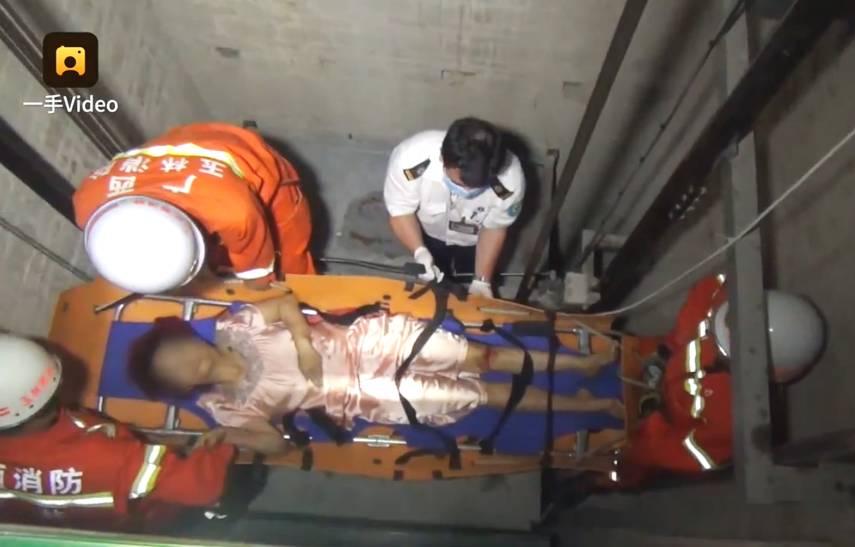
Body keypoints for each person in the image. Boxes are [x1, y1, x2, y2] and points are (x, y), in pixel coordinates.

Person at [128, 294, 619, 455]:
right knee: (483, 396)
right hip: (367, 393)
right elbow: (276, 444)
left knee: (480, 358)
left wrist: (304, 343)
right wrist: (226, 438)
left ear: (185, 337)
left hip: (369, 343)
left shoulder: (235, 326)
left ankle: (583, 364)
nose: (185, 362)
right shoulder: (226, 409)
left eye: (176, 351)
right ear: (181, 387)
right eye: (174, 371)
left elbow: (283, 302)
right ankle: (586, 405)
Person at [0, 333, 238, 531]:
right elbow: (203, 487)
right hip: (158, 526)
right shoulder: (106, 457)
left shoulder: (93, 447)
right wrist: (215, 448)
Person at [621, 274, 825, 483]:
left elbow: (679, 452)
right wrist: (664, 353)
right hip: (663, 370)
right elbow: (691, 316)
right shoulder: (716, 295)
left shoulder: (734, 418)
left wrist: (637, 446)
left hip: (664, 422)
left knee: (627, 466)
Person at [73, 122, 316, 295]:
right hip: (181, 141)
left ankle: (320, 305)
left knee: (289, 257)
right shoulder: (87, 202)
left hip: (246, 155)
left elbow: (259, 280)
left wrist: (266, 293)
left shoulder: (232, 211)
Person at [384, 117, 525, 298]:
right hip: (430, 231)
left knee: (469, 275)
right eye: (459, 184)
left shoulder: (510, 180)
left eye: (476, 187)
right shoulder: (410, 158)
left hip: (475, 240)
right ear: (443, 158)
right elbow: (400, 210)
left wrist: (482, 281)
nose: (466, 192)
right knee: (436, 276)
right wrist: (419, 251)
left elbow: (495, 228)